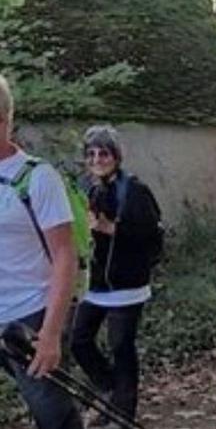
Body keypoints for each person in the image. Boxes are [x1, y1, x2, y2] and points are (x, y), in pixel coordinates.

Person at [0, 74, 84, 428]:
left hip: (31, 316)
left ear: (5, 121)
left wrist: (50, 335)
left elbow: (66, 257)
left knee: (52, 413)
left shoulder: (37, 176)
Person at [70, 125, 162, 426]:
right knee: (79, 341)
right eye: (91, 153)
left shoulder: (134, 189)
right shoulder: (85, 188)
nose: (98, 158)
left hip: (127, 285)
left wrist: (113, 229)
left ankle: (124, 415)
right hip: (93, 285)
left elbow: (152, 235)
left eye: (104, 152)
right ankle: (111, 389)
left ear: (116, 156)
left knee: (121, 346)